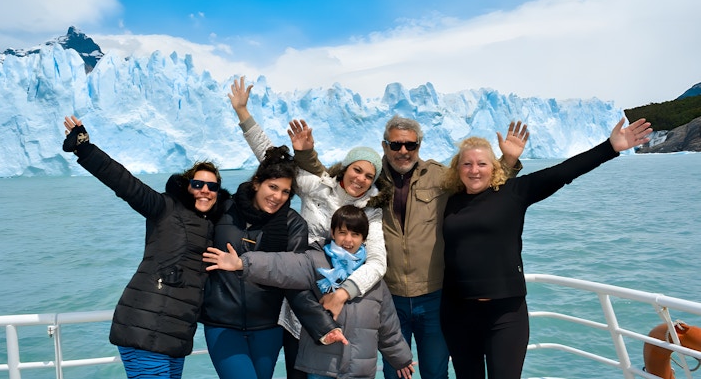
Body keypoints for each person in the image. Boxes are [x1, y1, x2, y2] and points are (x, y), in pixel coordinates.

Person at [291, 114, 528, 379]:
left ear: (419, 146)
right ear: (385, 146)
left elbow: (480, 185)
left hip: (434, 295)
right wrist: (306, 152)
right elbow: (333, 180)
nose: (403, 151)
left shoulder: (439, 176)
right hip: (390, 298)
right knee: (395, 371)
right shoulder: (373, 179)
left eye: (410, 145)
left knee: (436, 370)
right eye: (395, 145)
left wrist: (507, 163)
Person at [440, 118, 652, 378]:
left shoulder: (514, 192)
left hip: (505, 313)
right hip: (457, 311)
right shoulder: (448, 201)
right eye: (467, 164)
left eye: (482, 163)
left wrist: (610, 147)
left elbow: (563, 172)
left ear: (492, 167)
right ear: (457, 168)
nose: (475, 170)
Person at [227, 77, 391, 377]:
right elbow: (272, 163)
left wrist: (346, 293)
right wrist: (243, 115)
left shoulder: (372, 213)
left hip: (342, 303)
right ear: (346, 168)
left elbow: (378, 262)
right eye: (357, 169)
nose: (361, 179)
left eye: (369, 176)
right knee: (297, 371)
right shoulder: (317, 187)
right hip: (299, 299)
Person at [61, 115, 226, 379]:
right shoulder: (165, 207)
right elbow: (125, 183)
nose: (205, 190)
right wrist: (84, 147)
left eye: (212, 186)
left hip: (175, 335)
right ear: (188, 186)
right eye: (198, 184)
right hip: (146, 328)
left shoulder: (212, 226)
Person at [203, 205, 416, 379]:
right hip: (320, 367)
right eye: (342, 232)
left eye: (355, 234)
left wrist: (401, 358)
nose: (348, 240)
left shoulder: (371, 278)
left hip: (359, 371)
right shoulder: (315, 262)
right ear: (332, 233)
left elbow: (388, 325)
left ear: (364, 239)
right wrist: (243, 263)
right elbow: (280, 265)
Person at [198, 145, 339, 379]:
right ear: (257, 183)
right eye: (273, 187)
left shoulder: (293, 225)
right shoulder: (222, 210)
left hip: (268, 328)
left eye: (285, 192)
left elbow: (295, 280)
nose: (278, 197)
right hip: (223, 324)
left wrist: (323, 327)